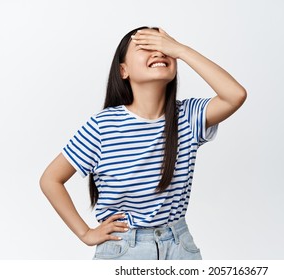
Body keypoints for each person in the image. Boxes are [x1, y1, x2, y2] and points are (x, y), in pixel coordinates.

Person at [40, 26, 247, 260]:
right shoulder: (103, 126)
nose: (159, 52)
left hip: (179, 246)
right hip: (125, 248)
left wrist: (181, 50)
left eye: (163, 46)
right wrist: (85, 233)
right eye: (146, 47)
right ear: (123, 70)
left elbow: (235, 95)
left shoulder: (188, 117)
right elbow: (50, 179)